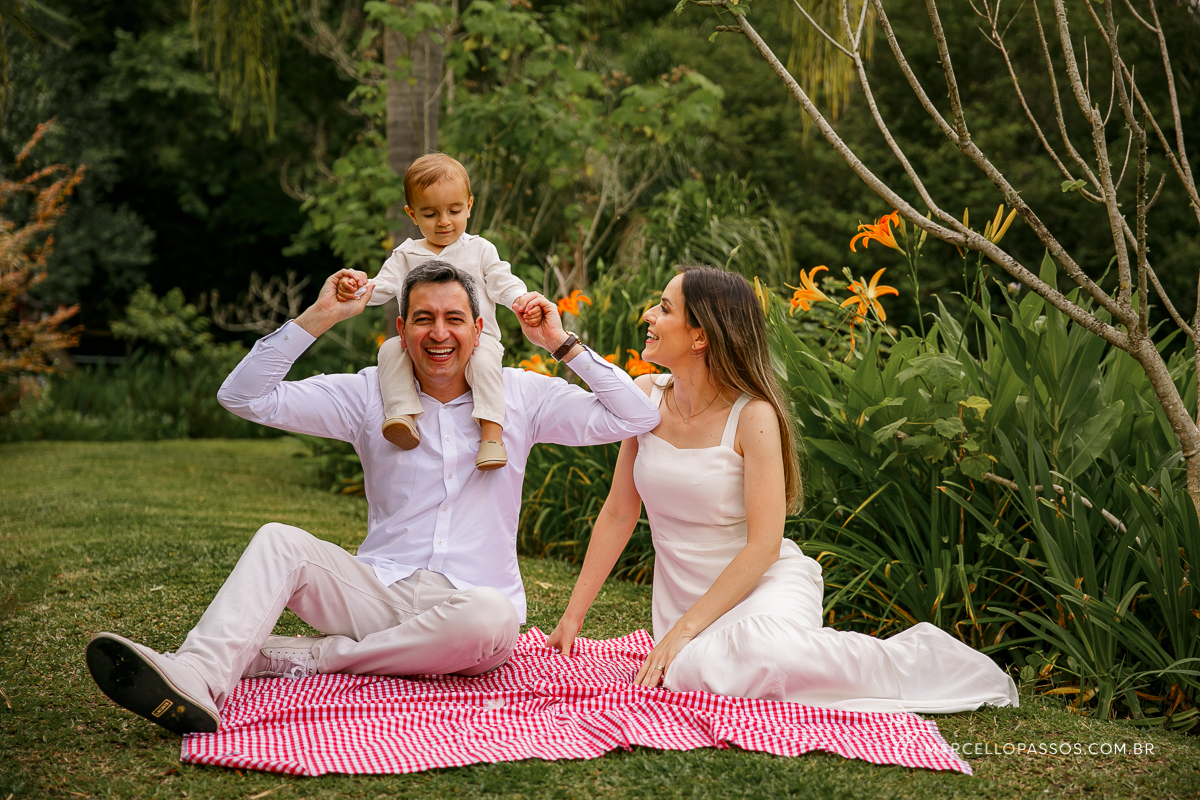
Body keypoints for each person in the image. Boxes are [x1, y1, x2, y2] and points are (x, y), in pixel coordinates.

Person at [84, 262, 660, 736]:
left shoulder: (521, 396)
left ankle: (312, 658)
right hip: (376, 592)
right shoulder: (366, 393)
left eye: (454, 319)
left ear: (479, 329)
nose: (439, 334)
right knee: (279, 542)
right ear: (402, 329)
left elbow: (635, 415)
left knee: (492, 615)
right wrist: (321, 315)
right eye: (424, 319)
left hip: (472, 615)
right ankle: (196, 675)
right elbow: (242, 397)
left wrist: (559, 342)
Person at [547, 266, 1019, 713]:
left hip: (762, 589)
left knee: (756, 652)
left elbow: (764, 546)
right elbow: (619, 512)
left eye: (665, 308)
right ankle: (739, 653)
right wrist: (573, 615)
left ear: (700, 337)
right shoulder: (644, 397)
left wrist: (685, 631)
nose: (649, 315)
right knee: (693, 671)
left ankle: (925, 663)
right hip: (685, 605)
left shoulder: (753, 415)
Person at [336, 153, 539, 471]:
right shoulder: (406, 254)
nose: (444, 221)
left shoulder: (480, 249)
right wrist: (356, 290)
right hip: (422, 343)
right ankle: (403, 415)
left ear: (469, 206)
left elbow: (503, 282)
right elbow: (383, 286)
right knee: (390, 349)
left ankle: (491, 436)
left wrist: (521, 300)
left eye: (454, 211)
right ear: (412, 214)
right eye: (430, 214)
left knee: (485, 362)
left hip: (478, 340)